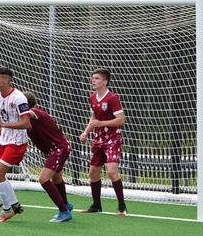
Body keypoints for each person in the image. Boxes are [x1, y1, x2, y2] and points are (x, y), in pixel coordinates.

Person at [80, 68, 127, 216]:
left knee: (112, 171)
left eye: (97, 78)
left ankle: (122, 207)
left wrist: (101, 124)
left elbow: (121, 120)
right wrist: (86, 132)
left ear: (105, 82)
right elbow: (93, 119)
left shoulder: (112, 98)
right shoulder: (93, 97)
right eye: (93, 78)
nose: (93, 80)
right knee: (93, 172)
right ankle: (96, 205)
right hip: (98, 139)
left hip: (113, 139)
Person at [0, 66, 32, 223]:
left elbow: (27, 123)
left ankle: (8, 210)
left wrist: (3, 123)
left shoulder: (19, 98)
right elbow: (0, 114)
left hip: (16, 142)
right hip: (3, 140)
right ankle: (14, 204)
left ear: (7, 79)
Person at [24, 92, 73, 222]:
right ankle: (66, 205)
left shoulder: (34, 112)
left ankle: (64, 211)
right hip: (55, 150)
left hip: (59, 149)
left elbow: (29, 114)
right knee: (56, 179)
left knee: (43, 179)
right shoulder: (27, 120)